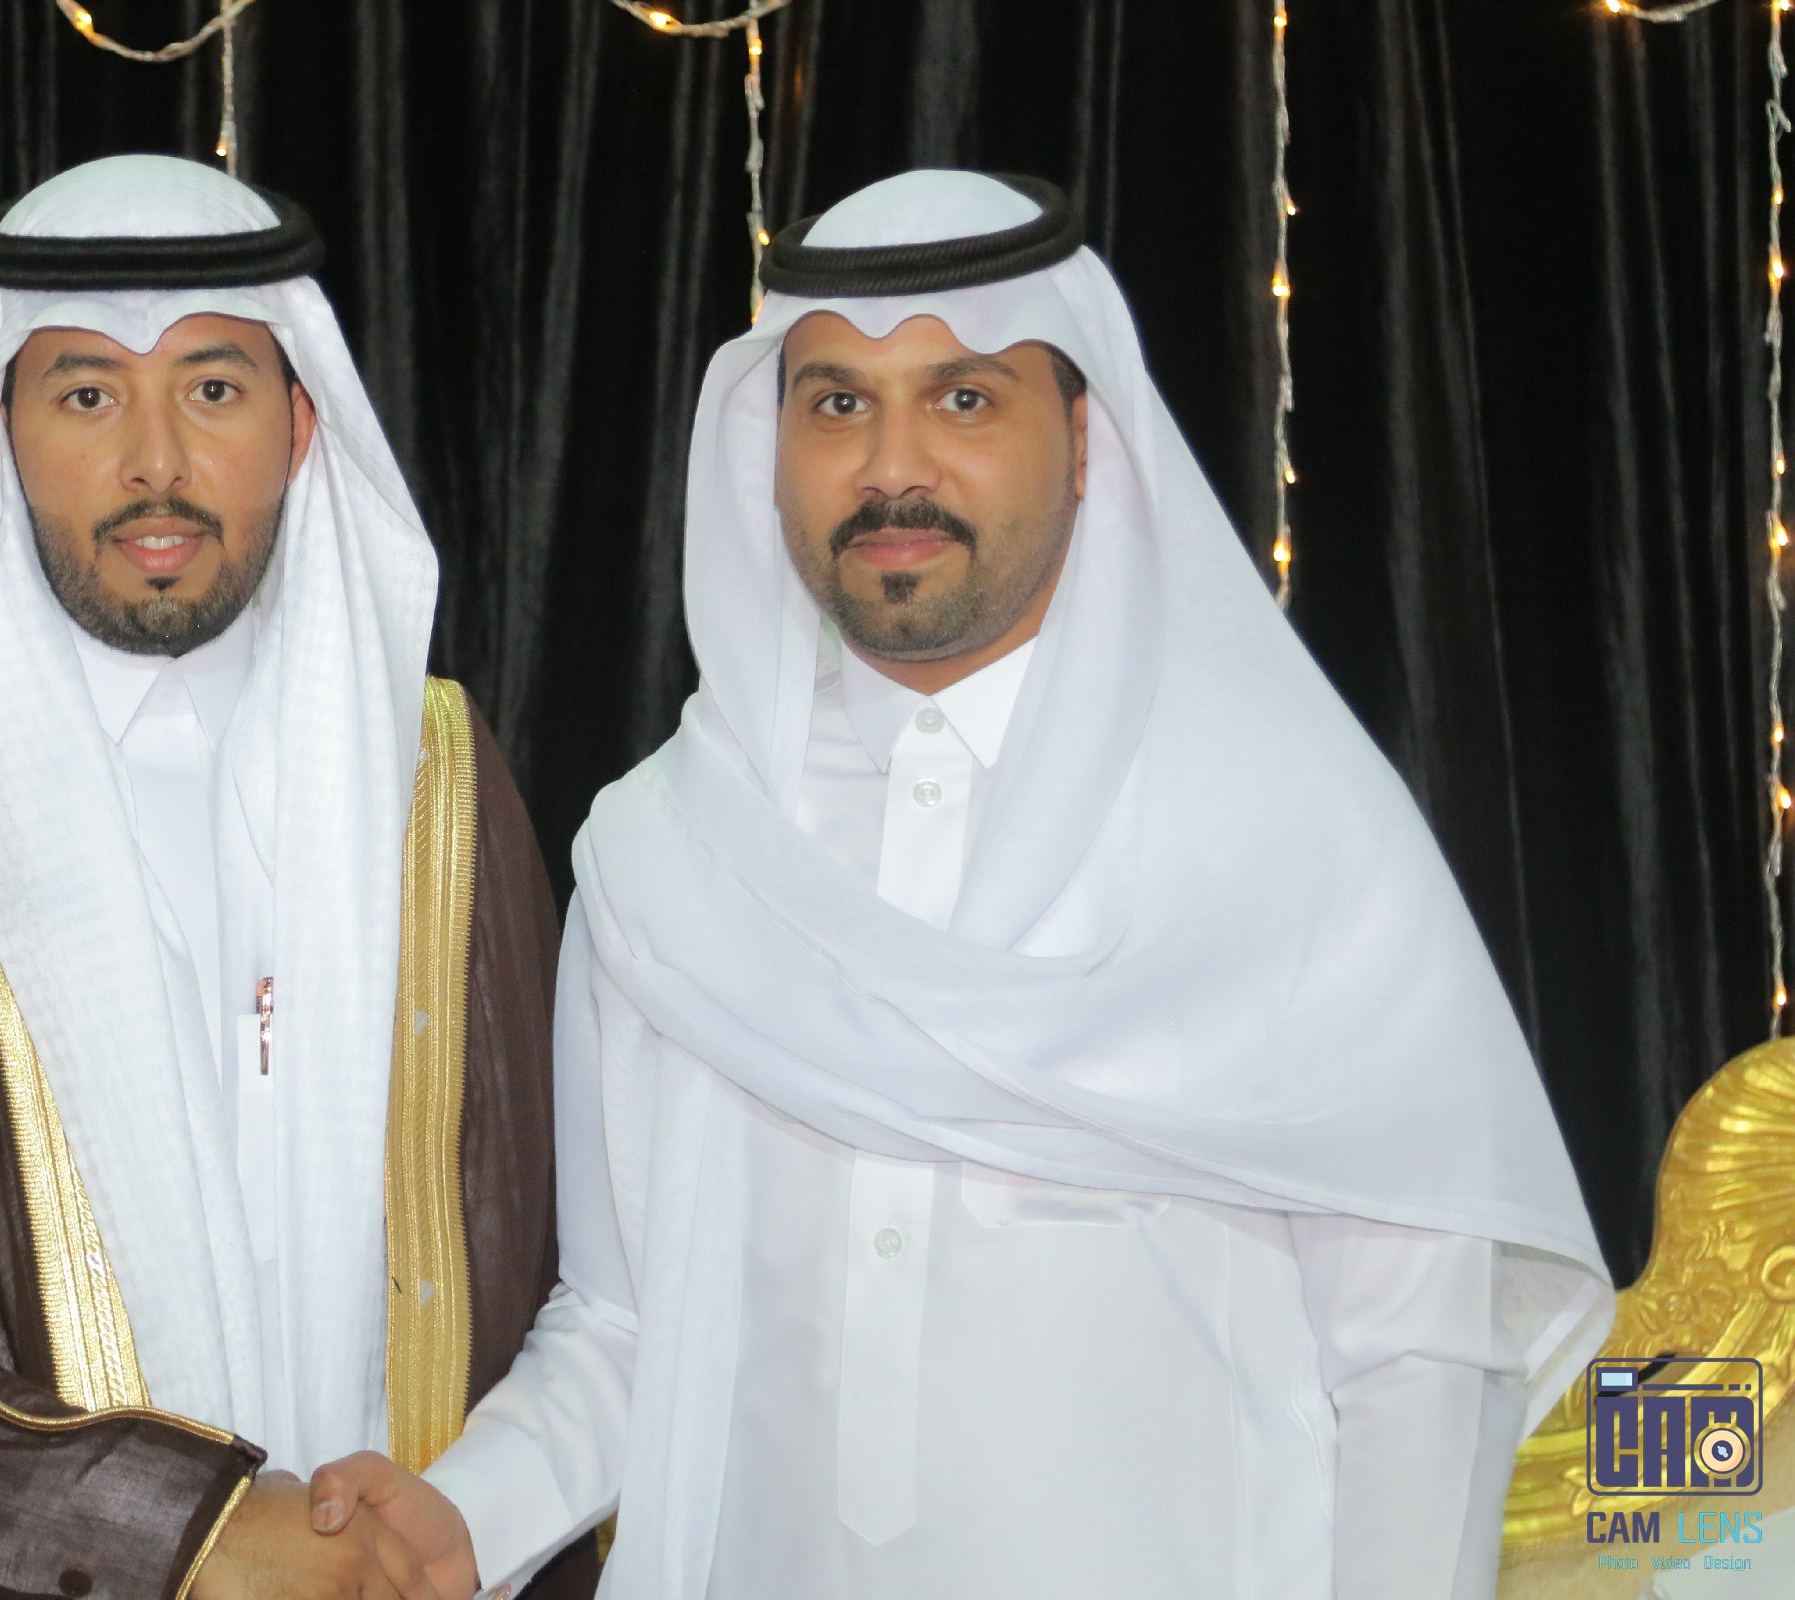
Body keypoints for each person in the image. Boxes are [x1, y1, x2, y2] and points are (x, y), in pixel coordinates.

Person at [306, 169, 1614, 1600]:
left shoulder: (1286, 837)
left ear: (1086, 440)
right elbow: (626, 1327)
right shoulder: (671, 856)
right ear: (770, 447)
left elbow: (1421, 1363)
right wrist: (466, 1519)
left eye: (966, 398)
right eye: (838, 404)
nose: (893, 467)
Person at [0, 154, 597, 1600]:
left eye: (213, 388)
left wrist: (455, 1521)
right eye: (88, 395)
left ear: (301, 427)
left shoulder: (432, 772)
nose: (156, 463)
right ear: (1, 433)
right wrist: (174, 1530)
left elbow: (548, 1240)